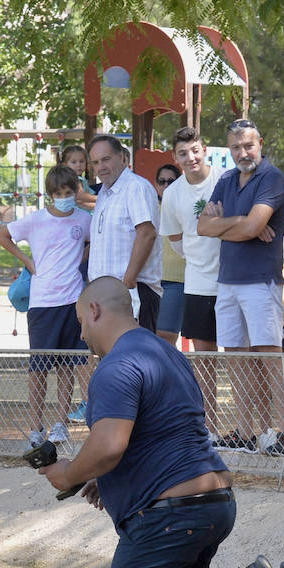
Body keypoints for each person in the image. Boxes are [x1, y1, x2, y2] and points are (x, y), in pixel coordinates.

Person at [39, 276, 284, 568]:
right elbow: (163, 434)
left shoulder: (116, 366)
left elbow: (109, 446)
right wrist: (108, 477)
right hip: (214, 502)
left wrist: (69, 474)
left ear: (94, 310)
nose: (82, 335)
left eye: (80, 323)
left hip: (172, 514)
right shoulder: (168, 354)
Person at [197, 118, 284, 456]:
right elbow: (203, 227)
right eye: (236, 147)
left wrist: (241, 225)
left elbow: (254, 227)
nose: (242, 152)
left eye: (248, 145)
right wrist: (238, 221)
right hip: (228, 282)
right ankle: (249, 430)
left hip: (260, 282)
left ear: (260, 143)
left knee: (269, 356)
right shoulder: (226, 179)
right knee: (235, 356)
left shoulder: (272, 178)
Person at [0, 165, 92, 446]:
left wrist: (78, 258)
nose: (65, 198)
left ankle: (60, 422)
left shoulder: (83, 219)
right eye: (59, 194)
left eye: (69, 192)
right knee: (39, 366)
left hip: (73, 300)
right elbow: (0, 234)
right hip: (43, 302)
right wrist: (27, 261)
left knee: (68, 364)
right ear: (51, 195)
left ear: (76, 191)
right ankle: (35, 426)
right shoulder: (36, 220)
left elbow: (93, 242)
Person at [159, 126, 222, 433]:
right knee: (205, 357)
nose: (190, 157)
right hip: (196, 282)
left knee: (244, 356)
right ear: (176, 157)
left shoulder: (225, 179)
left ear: (204, 149)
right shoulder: (172, 194)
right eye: (183, 153)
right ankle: (209, 425)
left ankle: (251, 428)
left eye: (195, 150)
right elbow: (174, 237)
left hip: (232, 279)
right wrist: (197, 257)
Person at [86, 135, 163, 332]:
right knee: (113, 359)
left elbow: (147, 233)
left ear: (122, 157)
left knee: (136, 358)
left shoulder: (135, 187)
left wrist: (127, 282)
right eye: (95, 162)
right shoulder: (104, 192)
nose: (101, 167)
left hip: (132, 291)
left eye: (106, 159)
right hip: (107, 295)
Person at [153, 163, 187, 346]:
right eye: (161, 181)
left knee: (165, 337)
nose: (166, 186)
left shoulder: (184, 207)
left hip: (176, 280)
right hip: (150, 280)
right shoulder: (148, 207)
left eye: (171, 181)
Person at [59, 144, 97, 210]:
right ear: (65, 165)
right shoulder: (73, 179)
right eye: (74, 162)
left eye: (81, 161)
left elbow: (82, 203)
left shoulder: (80, 179)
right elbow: (80, 196)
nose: (78, 165)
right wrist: (100, 199)